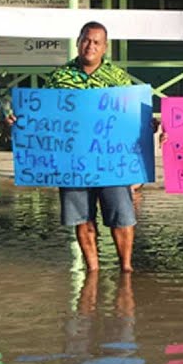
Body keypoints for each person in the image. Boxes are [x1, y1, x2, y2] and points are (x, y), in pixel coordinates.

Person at [46, 21, 137, 273]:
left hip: (111, 161)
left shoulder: (118, 78)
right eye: (86, 40)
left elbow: (132, 117)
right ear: (78, 42)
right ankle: (93, 269)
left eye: (97, 42)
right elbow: (42, 116)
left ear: (105, 47)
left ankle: (126, 268)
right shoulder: (58, 78)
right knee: (81, 217)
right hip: (73, 161)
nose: (90, 46)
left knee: (122, 217)